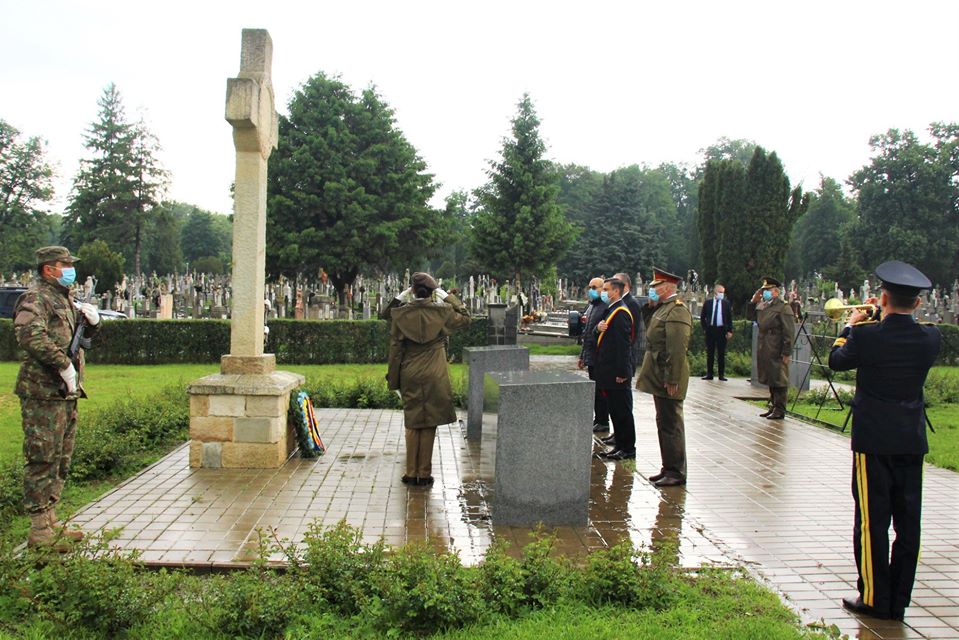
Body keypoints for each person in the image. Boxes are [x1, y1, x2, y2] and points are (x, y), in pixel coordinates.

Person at [829, 261, 941, 622]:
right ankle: (898, 600)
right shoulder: (931, 338)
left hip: (873, 441)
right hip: (910, 439)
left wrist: (850, 325)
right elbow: (901, 335)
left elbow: (836, 361)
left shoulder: (866, 336)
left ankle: (875, 598)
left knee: (872, 521)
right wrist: (883, 317)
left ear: (882, 298)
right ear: (918, 304)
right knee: (908, 522)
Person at [14, 246, 101, 548]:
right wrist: (63, 365)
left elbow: (79, 340)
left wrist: (93, 325)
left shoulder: (63, 298)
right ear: (49, 269)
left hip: (65, 393)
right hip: (42, 392)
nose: (70, 270)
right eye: (65, 265)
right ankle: (39, 528)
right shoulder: (36, 297)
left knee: (61, 457)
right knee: (42, 456)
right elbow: (29, 335)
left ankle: (51, 520)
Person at [387, 272, 470, 487]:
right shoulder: (443, 312)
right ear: (433, 292)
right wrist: (446, 296)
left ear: (413, 290)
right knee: (429, 421)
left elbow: (394, 347)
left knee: (412, 421)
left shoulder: (401, 314)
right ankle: (424, 473)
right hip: (435, 372)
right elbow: (465, 316)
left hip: (410, 372)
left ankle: (410, 472)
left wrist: (393, 380)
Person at [636, 268, 692, 487]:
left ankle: (676, 472)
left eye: (655, 287)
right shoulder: (663, 308)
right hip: (659, 372)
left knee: (672, 424)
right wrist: (651, 306)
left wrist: (673, 378)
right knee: (664, 422)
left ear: (668, 287)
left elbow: (677, 349)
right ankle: (668, 467)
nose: (652, 290)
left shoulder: (677, 310)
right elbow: (651, 331)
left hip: (668, 374)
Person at [594, 277, 635, 460]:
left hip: (617, 373)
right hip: (607, 371)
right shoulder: (611, 310)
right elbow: (600, 335)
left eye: (606, 289)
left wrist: (622, 373)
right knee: (615, 412)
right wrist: (597, 328)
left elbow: (623, 346)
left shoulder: (621, 313)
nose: (603, 292)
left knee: (622, 412)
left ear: (616, 291)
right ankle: (619, 446)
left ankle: (628, 448)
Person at [746, 277, 794, 420]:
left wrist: (786, 352)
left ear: (776, 292)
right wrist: (753, 301)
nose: (765, 293)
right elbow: (751, 317)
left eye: (768, 290)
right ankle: (773, 405)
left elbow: (789, 331)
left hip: (776, 346)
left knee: (779, 378)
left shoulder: (783, 307)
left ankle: (780, 408)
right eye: (764, 290)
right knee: (770, 377)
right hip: (765, 345)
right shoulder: (763, 305)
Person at [577, 277, 609, 433]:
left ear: (603, 289)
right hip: (590, 355)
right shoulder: (591, 306)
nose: (591, 290)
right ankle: (598, 418)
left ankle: (603, 420)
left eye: (594, 287)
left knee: (601, 391)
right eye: (590, 287)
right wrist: (582, 356)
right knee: (595, 390)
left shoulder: (605, 307)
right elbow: (587, 334)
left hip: (599, 356)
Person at [699, 283, 733, 381]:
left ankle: (721, 375)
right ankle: (709, 374)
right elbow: (703, 317)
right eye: (720, 292)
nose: (722, 294)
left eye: (723, 292)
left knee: (721, 353)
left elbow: (729, 318)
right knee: (710, 353)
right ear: (715, 292)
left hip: (722, 330)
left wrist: (729, 330)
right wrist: (705, 328)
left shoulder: (726, 303)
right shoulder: (708, 303)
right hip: (710, 330)